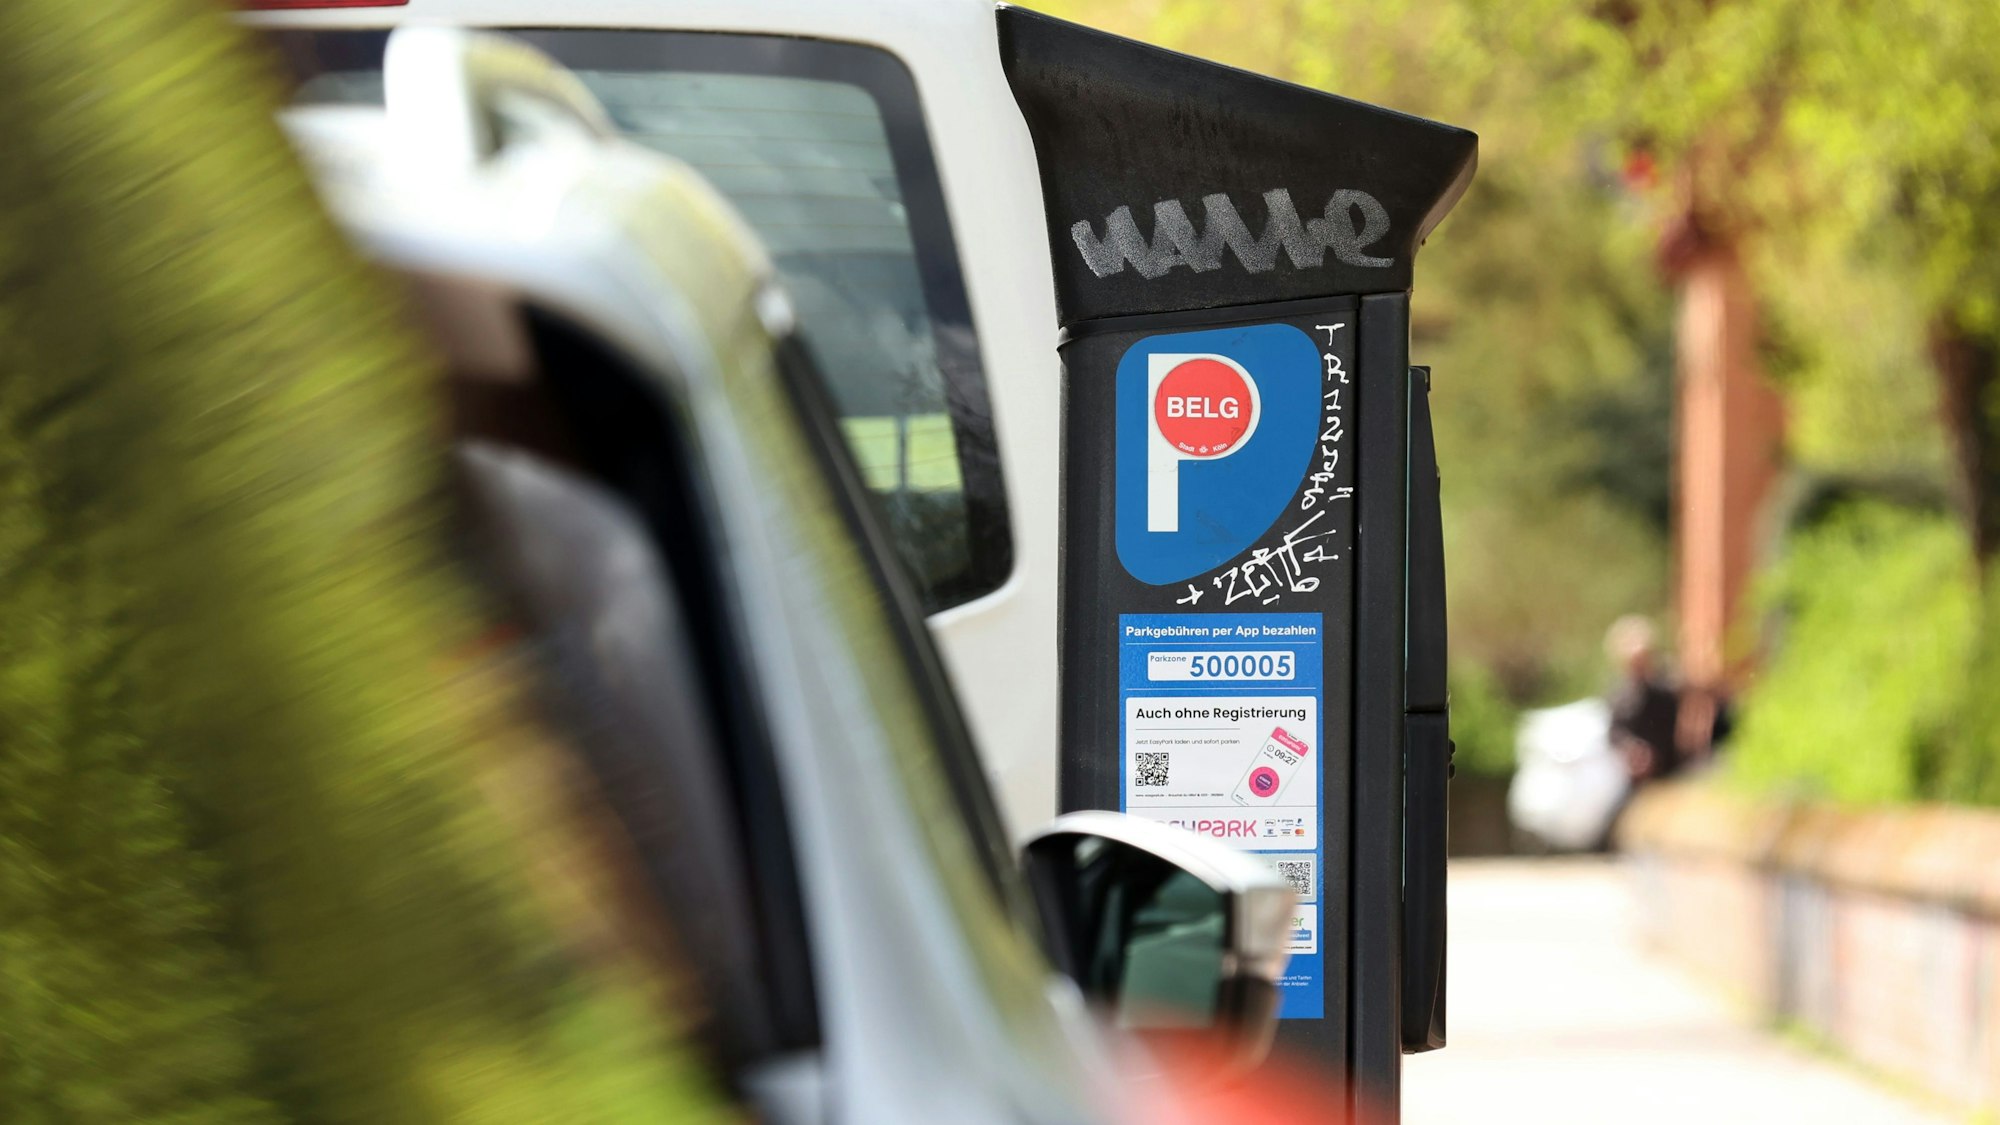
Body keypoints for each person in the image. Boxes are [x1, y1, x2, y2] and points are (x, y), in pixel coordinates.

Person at [1604, 615, 1684, 785]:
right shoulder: (1618, 697)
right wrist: (1632, 751)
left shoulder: (1669, 688)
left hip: (1674, 772)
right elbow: (1614, 734)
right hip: (1635, 780)